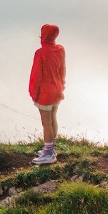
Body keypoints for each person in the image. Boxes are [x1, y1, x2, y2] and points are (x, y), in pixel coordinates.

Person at [29, 24, 65, 165]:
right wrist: (62, 85)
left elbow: (36, 76)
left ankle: (49, 153)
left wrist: (33, 93)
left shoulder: (41, 53)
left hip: (45, 92)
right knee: (53, 118)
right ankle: (50, 147)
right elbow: (62, 69)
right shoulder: (60, 49)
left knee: (46, 123)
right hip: (57, 89)